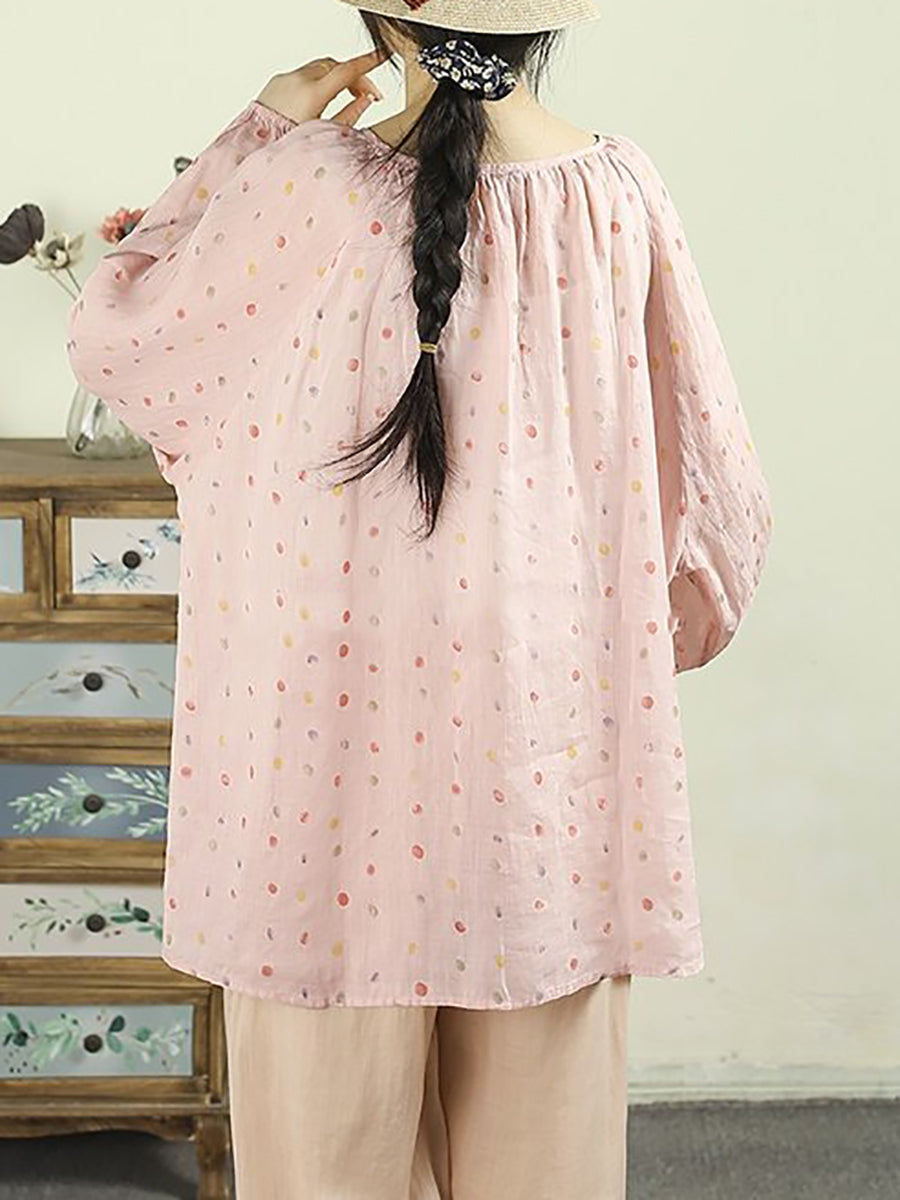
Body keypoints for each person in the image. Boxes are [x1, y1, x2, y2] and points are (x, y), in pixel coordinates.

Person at [65, 0, 774, 1194]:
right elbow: (719, 498)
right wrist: (640, 636)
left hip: (315, 767)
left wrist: (259, 128)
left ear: (380, 22)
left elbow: (120, 339)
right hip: (542, 761)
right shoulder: (621, 196)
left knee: (325, 1157)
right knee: (543, 1159)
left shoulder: (302, 186)